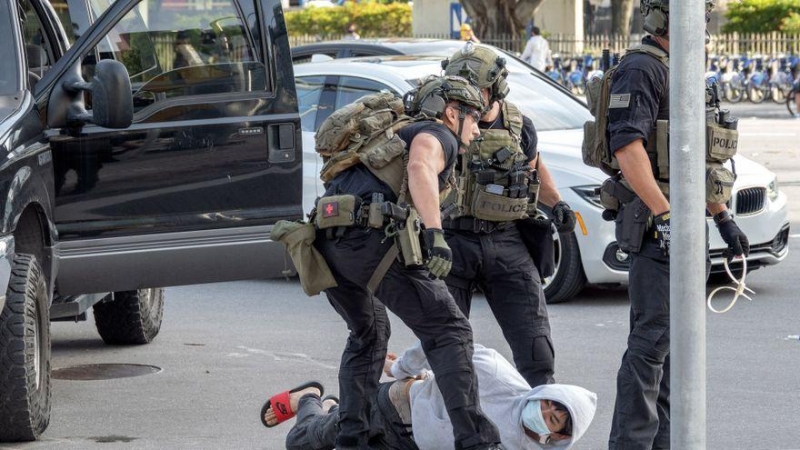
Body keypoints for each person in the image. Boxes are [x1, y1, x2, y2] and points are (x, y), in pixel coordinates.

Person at [307, 75, 502, 450]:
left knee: (370, 334)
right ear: (451, 113)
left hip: (325, 243)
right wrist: (435, 233)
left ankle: (352, 440)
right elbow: (420, 168)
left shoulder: (392, 136)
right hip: (367, 241)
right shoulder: (436, 134)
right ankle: (477, 442)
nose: (477, 130)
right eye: (474, 119)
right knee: (450, 331)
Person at [605, 2, 750, 449]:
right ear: (664, 21)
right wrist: (665, 216)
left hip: (683, 227)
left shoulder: (681, 69)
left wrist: (722, 216)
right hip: (654, 228)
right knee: (650, 347)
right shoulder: (642, 68)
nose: (702, 28)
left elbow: (690, 157)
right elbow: (628, 148)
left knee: (672, 350)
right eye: (694, 19)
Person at [442, 42, 576, 389]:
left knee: (538, 354)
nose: (470, 95)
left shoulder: (519, 124)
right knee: (446, 352)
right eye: (462, 87)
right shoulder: (440, 124)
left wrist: (557, 203)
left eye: (479, 88)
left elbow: (532, 170)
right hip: (453, 240)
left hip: (506, 242)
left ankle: (539, 427)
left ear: (496, 86)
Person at [267, 342, 597, 450]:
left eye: (552, 418)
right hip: (393, 408)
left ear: (555, 437)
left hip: (411, 445)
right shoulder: (498, 376)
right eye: (548, 402)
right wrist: (403, 370)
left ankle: (331, 408)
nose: (543, 411)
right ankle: (310, 398)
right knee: (301, 443)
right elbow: (442, 341)